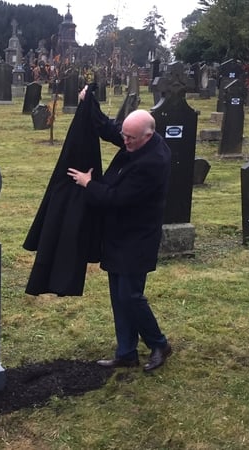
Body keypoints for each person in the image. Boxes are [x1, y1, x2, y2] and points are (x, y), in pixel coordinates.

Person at [67, 85, 172, 372]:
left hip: (137, 237)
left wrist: (89, 184)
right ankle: (126, 352)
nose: (124, 141)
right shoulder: (139, 141)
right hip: (118, 234)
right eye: (125, 135)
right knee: (119, 296)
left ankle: (159, 343)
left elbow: (116, 198)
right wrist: (89, 103)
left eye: (130, 138)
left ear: (147, 136)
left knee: (130, 296)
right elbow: (111, 130)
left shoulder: (153, 162)